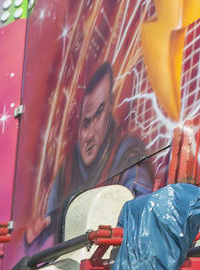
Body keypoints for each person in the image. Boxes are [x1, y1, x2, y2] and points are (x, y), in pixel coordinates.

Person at [25, 62, 156, 250]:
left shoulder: (130, 154)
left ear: (110, 106)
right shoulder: (66, 173)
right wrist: (39, 232)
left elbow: (137, 221)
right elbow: (44, 238)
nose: (90, 134)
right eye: (86, 122)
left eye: (99, 114)